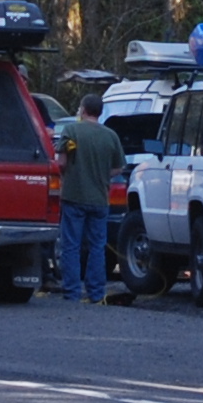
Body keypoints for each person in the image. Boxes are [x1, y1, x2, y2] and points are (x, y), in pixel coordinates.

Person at [53, 95, 127, 304]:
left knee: (71, 246)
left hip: (73, 196)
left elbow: (61, 163)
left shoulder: (71, 131)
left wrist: (69, 173)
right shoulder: (111, 135)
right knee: (97, 246)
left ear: (84, 109)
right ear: (100, 112)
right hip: (100, 199)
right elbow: (118, 168)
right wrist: (102, 175)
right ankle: (95, 292)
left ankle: (72, 292)